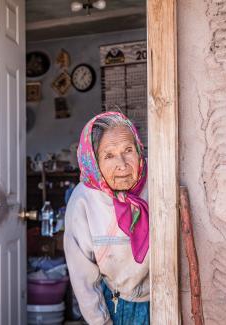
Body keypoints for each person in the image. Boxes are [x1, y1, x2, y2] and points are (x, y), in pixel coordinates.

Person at [64, 112, 149, 325]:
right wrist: (101, 321)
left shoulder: (157, 179)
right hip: (116, 305)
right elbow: (83, 278)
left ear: (139, 150)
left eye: (128, 150)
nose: (122, 164)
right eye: (109, 155)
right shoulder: (84, 199)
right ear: (94, 161)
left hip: (167, 298)